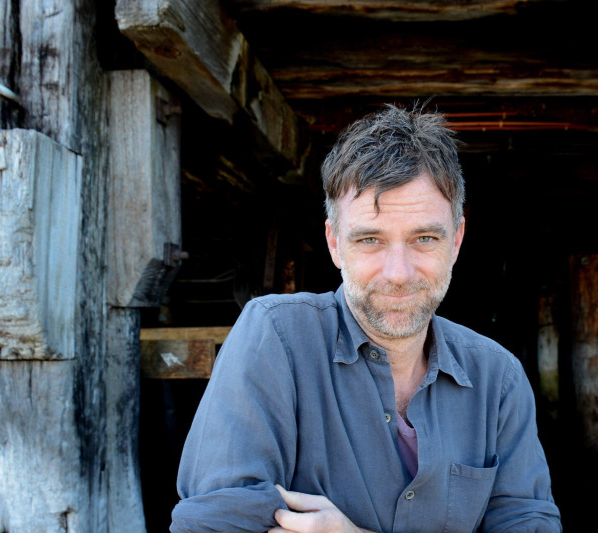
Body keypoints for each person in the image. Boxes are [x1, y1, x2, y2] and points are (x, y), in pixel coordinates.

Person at [170, 105, 562, 533]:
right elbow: (213, 524)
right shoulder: (276, 337)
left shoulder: (499, 379)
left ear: (456, 241)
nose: (399, 273)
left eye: (424, 238)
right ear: (334, 243)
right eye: (370, 239)